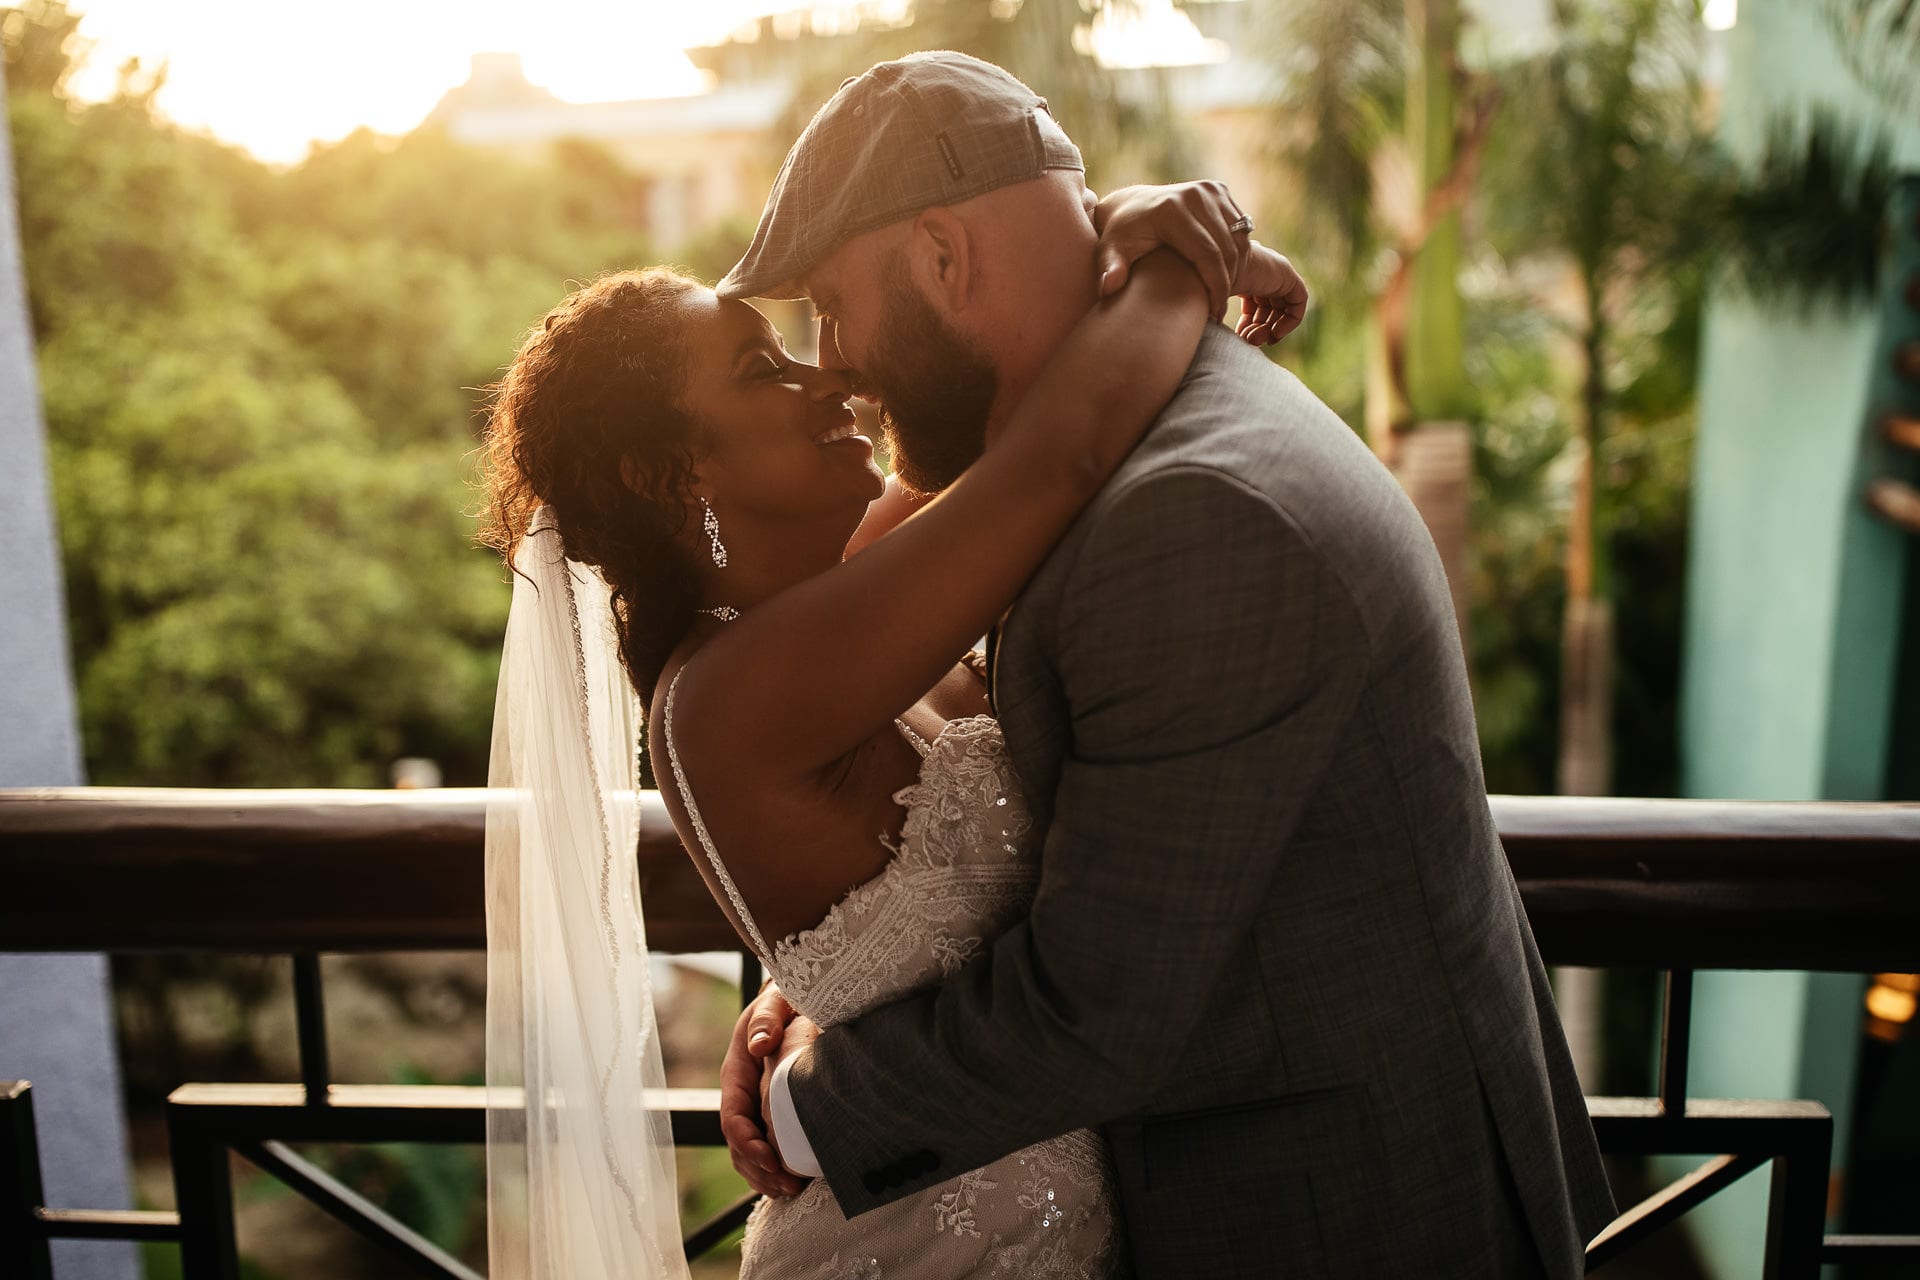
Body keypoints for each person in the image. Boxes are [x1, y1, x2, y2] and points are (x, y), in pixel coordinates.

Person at [715, 51, 1617, 1279]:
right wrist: (825, 986)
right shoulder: (1143, 414)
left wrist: (806, 1107)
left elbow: (1099, 1010)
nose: (833, 358)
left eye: (833, 300)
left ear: (943, 256)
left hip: (1346, 1214)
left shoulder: (1186, 515)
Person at [479, 168, 1303, 1277]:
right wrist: (1175, 255)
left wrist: (804, 992)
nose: (826, 377)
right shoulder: (726, 695)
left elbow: (1012, 373)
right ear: (670, 470)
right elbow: (1064, 444)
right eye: (761, 369)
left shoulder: (849, 575)